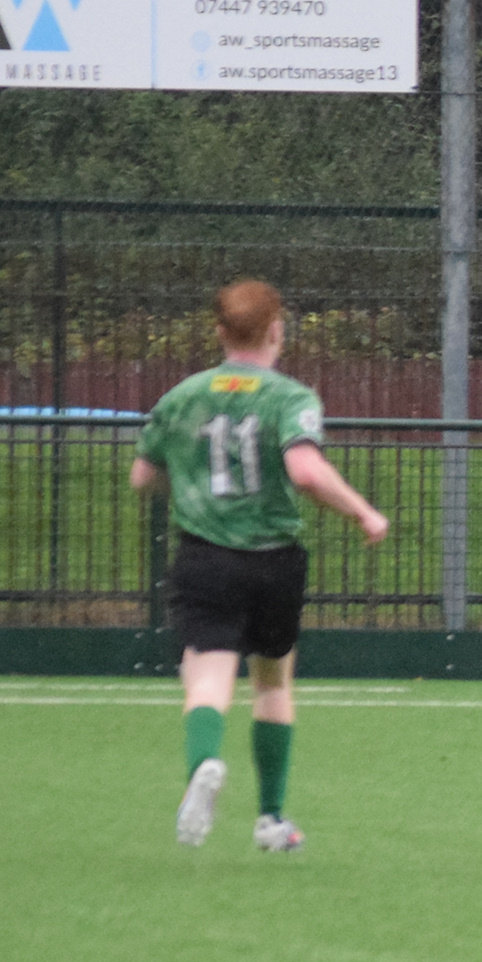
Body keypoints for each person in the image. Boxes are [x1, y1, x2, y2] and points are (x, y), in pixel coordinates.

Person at [130, 279, 388, 851]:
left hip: (206, 558)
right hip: (276, 560)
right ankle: (271, 819)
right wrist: (364, 513)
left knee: (207, 677)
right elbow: (305, 472)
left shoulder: (183, 396)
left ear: (220, 332)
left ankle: (203, 763)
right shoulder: (290, 397)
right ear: (277, 330)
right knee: (272, 684)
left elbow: (143, 477)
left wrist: (192, 475)